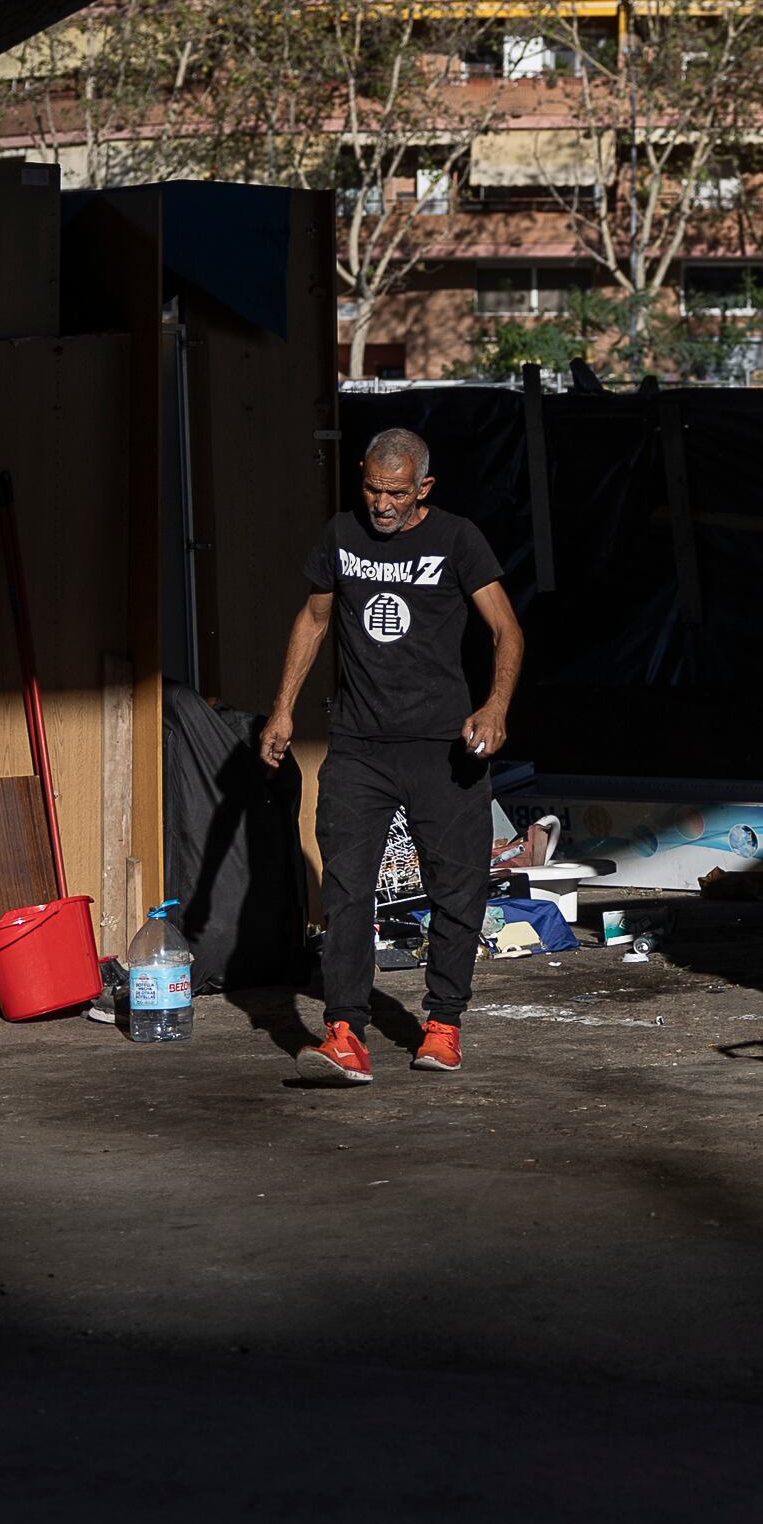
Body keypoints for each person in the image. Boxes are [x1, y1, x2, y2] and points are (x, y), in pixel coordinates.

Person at [260, 427, 523, 1086]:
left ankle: (443, 1024)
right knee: (347, 886)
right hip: (358, 745)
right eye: (374, 489)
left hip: (443, 748)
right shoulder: (342, 536)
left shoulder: (458, 540)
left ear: (424, 489)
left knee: (456, 885)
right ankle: (345, 1031)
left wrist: (494, 708)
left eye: (397, 493)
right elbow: (315, 620)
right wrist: (284, 708)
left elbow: (506, 630)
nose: (382, 504)